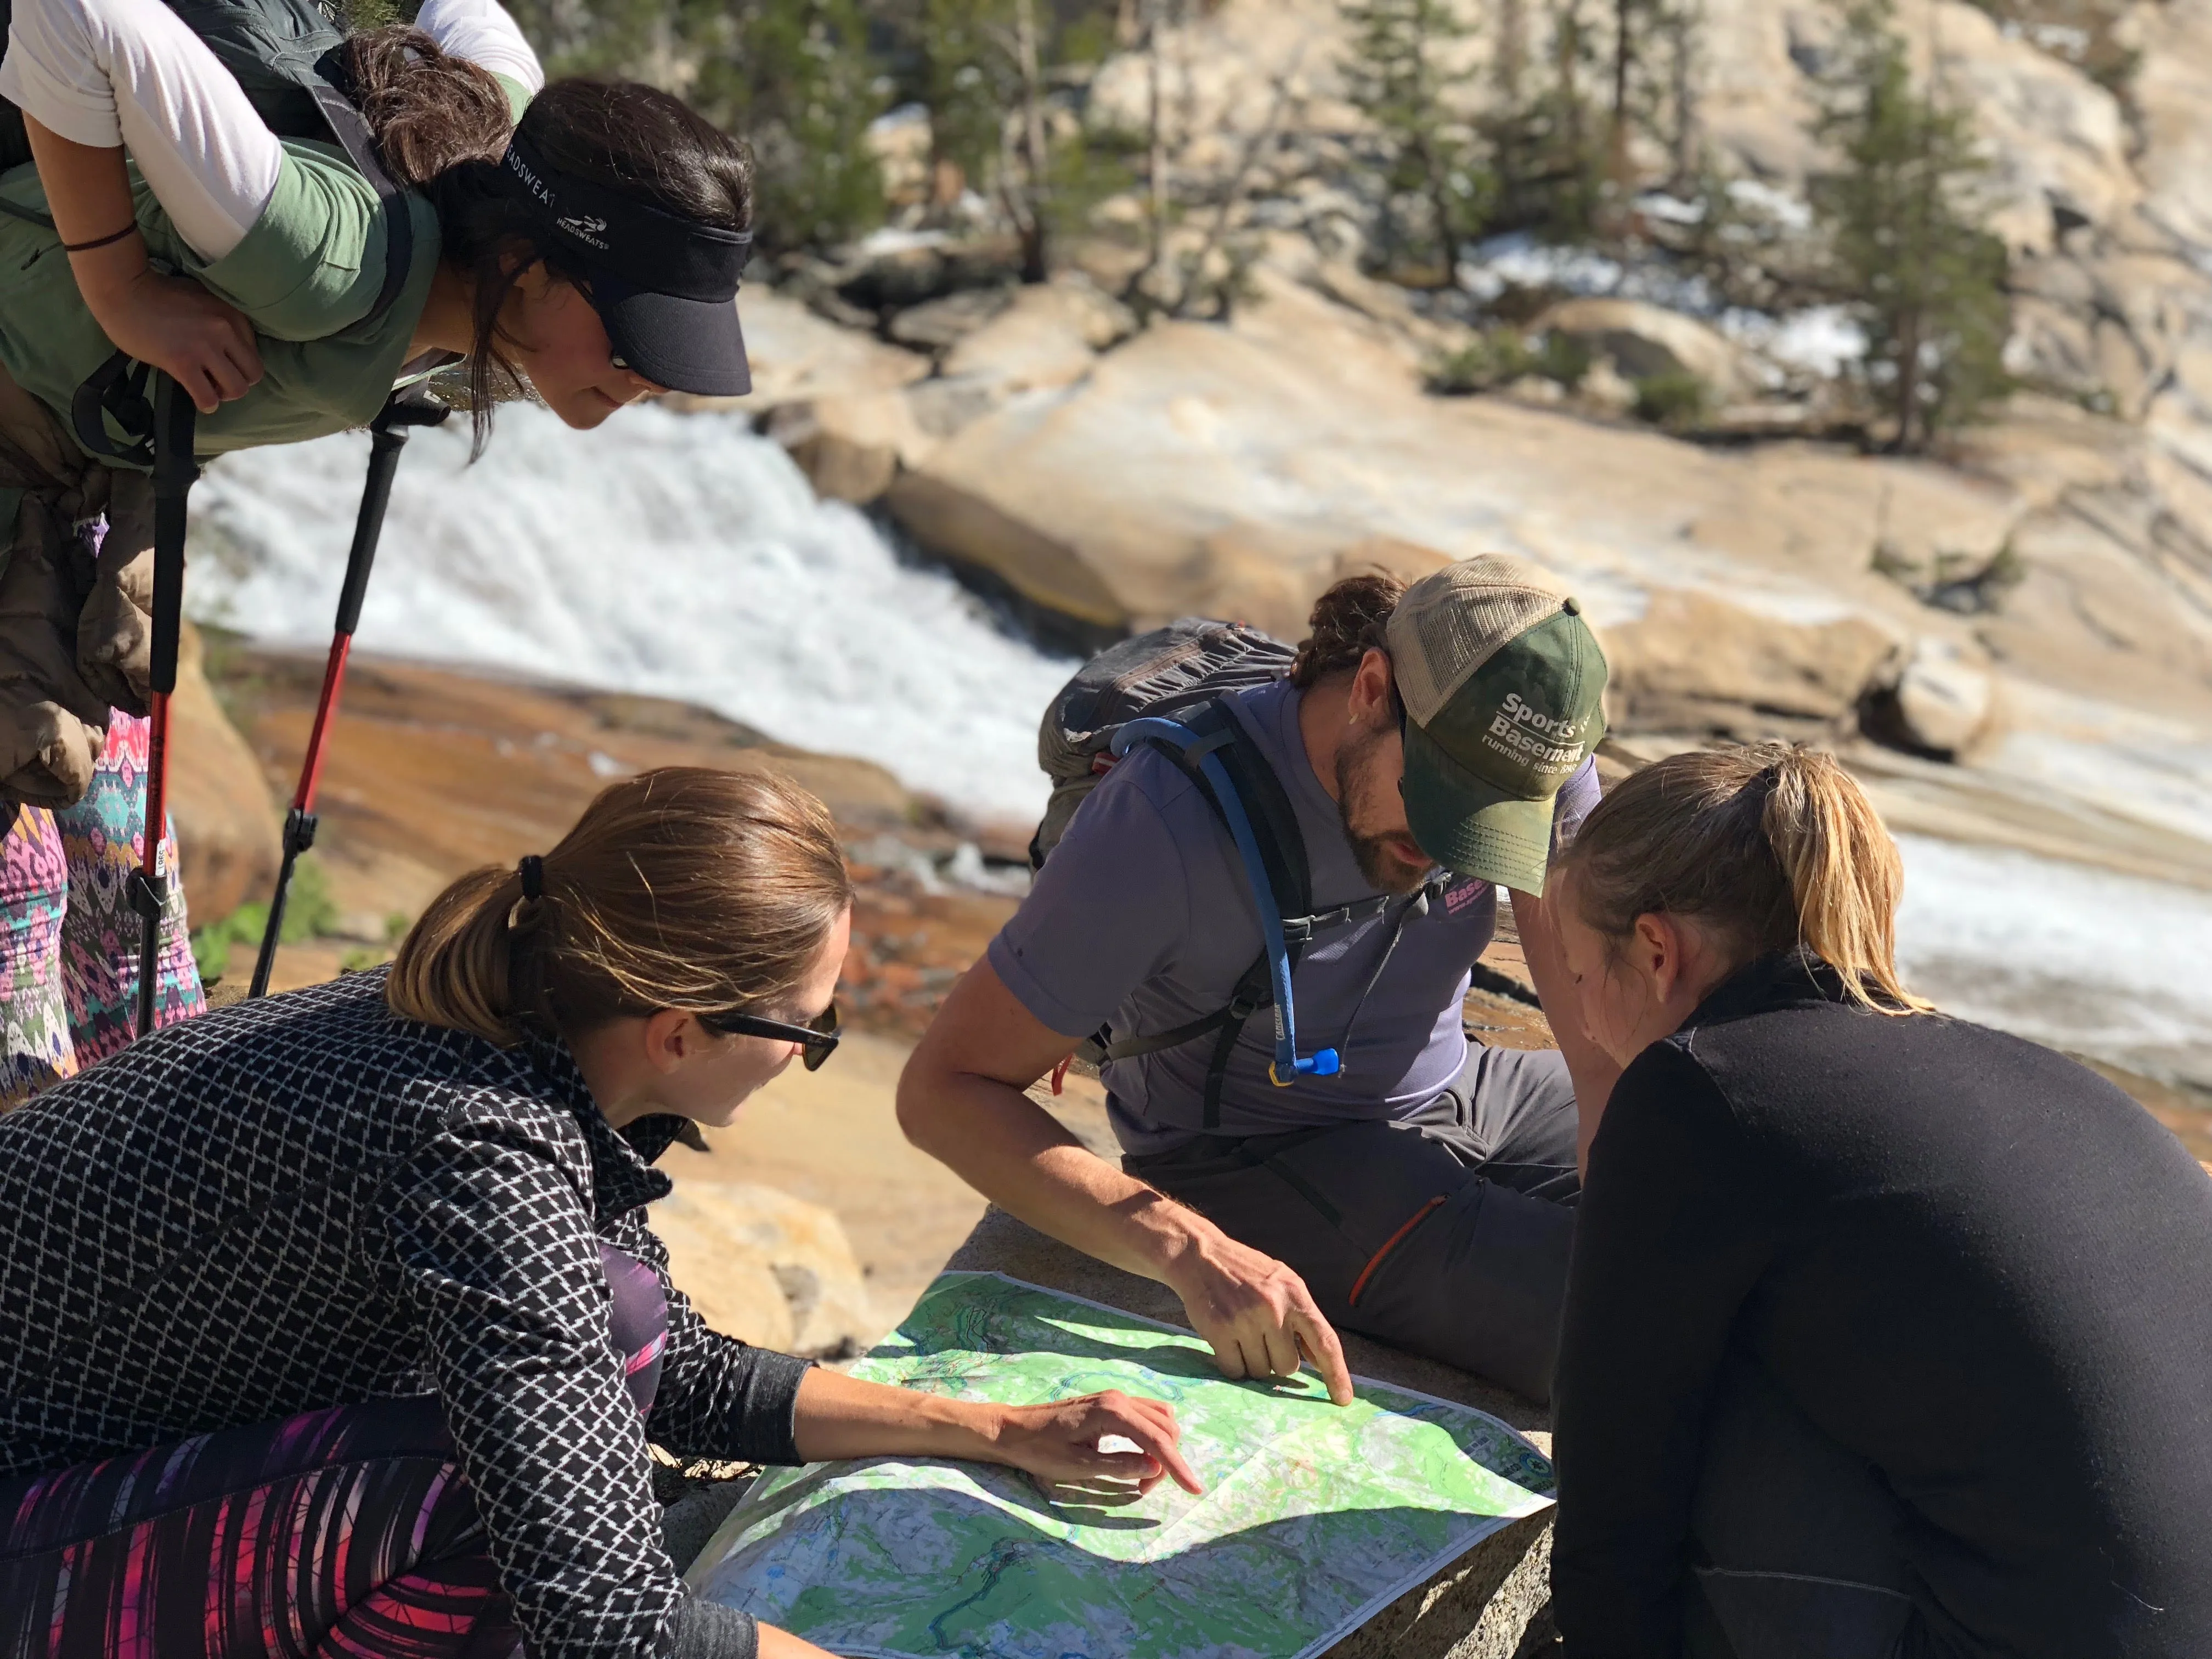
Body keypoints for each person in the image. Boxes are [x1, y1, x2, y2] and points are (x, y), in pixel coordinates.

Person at [0, 765, 1201, 1658]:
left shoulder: (514, 1022)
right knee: (475, 1492)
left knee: (590, 1364)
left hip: (83, 1455)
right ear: (679, 1033)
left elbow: (658, 1356)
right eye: (812, 1028)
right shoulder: (477, 1147)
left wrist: (994, 1433)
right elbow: (606, 1622)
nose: (816, 1053)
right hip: (27, 1522)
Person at [0, 0, 758, 1099]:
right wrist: (123, 292)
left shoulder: (503, 134)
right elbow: (76, 14)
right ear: (528, 263)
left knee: (132, 929)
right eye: (636, 336)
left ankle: (124, 1219)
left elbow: (468, 13)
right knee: (22, 906)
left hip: (59, 495)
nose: (650, 380)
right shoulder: (320, 255)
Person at [1543, 743, 2212, 1658]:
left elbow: (1614, 1488)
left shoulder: (1703, 1088)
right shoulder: (2015, 1068)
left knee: (1712, 1392)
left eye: (1580, 975)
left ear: (1658, 950)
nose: (1578, 1016)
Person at [900, 556, 1613, 1406]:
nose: (1453, 845)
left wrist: (1621, 1134)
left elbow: (1586, 992)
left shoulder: (1526, 750)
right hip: (1260, 1149)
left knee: (1738, 1209)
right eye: (1438, 799)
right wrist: (1189, 1250)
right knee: (1607, 1327)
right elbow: (943, 1090)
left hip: (1461, 1078)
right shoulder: (1165, 822)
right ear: (1372, 689)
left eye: (1487, 829)